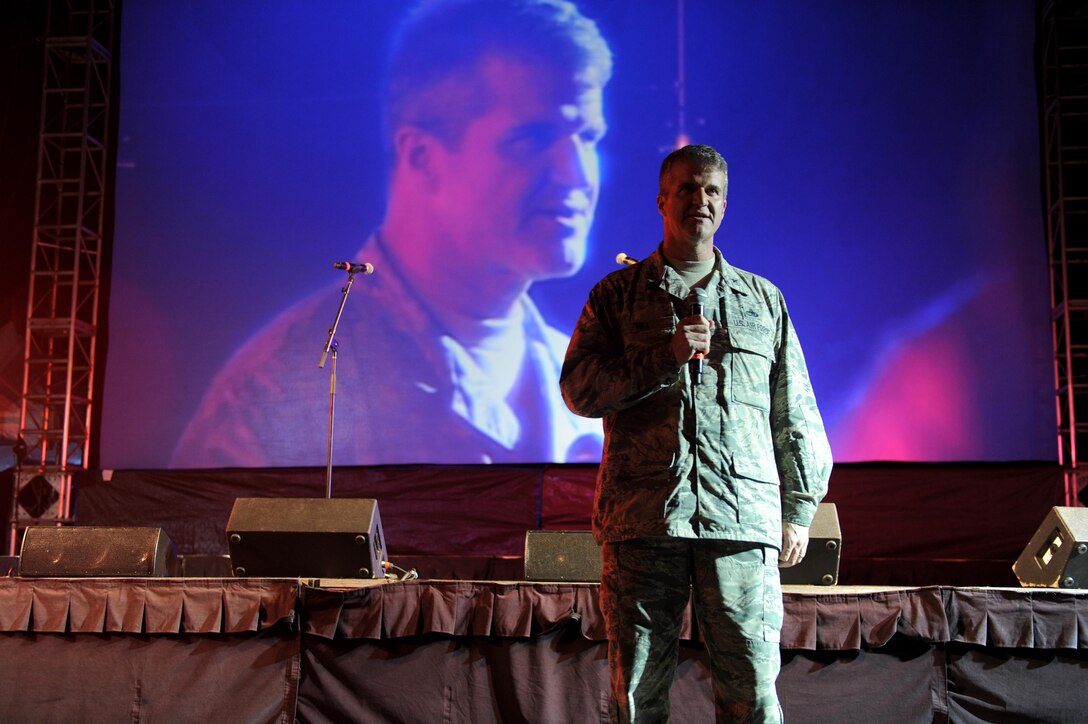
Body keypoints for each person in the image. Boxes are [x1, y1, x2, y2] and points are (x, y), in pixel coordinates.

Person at [171, 0, 610, 467]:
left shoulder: (587, 379)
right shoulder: (279, 391)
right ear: (422, 155)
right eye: (532, 139)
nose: (576, 174)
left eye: (588, 138)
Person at [560, 144, 833, 722]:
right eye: (686, 189)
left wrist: (801, 508)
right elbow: (579, 389)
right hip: (645, 518)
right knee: (637, 696)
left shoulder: (763, 302)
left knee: (752, 693)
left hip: (740, 521)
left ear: (725, 206)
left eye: (710, 191)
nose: (699, 201)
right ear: (663, 200)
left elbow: (795, 411)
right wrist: (664, 356)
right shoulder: (617, 297)